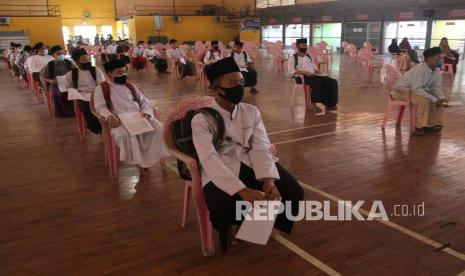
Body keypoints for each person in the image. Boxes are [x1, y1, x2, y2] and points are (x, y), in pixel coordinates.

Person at [192, 57, 304, 252]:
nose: (239, 87)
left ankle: (271, 222)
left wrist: (268, 179)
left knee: (292, 191)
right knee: (225, 205)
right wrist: (241, 190)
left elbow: (261, 146)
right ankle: (230, 228)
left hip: (250, 161)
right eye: (233, 84)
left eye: (241, 82)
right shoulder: (202, 119)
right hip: (221, 167)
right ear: (216, 89)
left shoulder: (251, 111)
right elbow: (209, 159)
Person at [93, 59, 169, 174]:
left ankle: (148, 159)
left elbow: (144, 102)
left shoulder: (130, 86)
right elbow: (100, 107)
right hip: (119, 120)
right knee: (124, 135)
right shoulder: (102, 88)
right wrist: (109, 116)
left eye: (124, 72)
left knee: (159, 128)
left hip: (139, 117)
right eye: (119, 73)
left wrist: (146, 112)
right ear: (109, 74)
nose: (123, 75)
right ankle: (139, 163)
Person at [393, 47, 446, 136]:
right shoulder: (420, 69)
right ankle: (420, 127)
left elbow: (435, 87)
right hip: (400, 92)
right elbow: (416, 88)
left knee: (438, 101)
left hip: (414, 90)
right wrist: (433, 99)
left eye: (441, 58)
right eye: (438, 58)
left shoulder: (436, 71)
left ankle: (433, 125)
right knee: (424, 101)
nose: (440, 61)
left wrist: (441, 97)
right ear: (429, 59)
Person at [287, 38, 339, 112]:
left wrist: (318, 72)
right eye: (303, 45)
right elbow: (291, 71)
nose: (305, 47)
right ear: (298, 46)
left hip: (312, 75)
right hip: (301, 77)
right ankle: (313, 104)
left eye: (306, 45)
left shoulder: (308, 56)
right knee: (317, 82)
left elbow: (314, 67)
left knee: (332, 82)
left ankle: (331, 104)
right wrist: (305, 73)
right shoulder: (293, 58)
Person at [66, 48, 106, 134]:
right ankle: (96, 128)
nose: (87, 62)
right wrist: (76, 93)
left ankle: (104, 124)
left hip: (96, 93)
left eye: (88, 59)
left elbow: (101, 84)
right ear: (77, 62)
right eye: (84, 60)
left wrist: (95, 93)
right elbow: (69, 87)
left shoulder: (96, 71)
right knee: (86, 106)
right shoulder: (71, 74)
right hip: (82, 95)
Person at [41, 45, 75, 117]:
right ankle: (62, 113)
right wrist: (50, 81)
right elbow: (42, 77)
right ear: (53, 55)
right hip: (56, 83)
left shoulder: (69, 63)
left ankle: (74, 111)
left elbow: (76, 72)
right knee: (58, 94)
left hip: (68, 82)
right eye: (58, 54)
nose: (61, 55)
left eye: (62, 53)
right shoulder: (50, 65)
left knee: (73, 92)